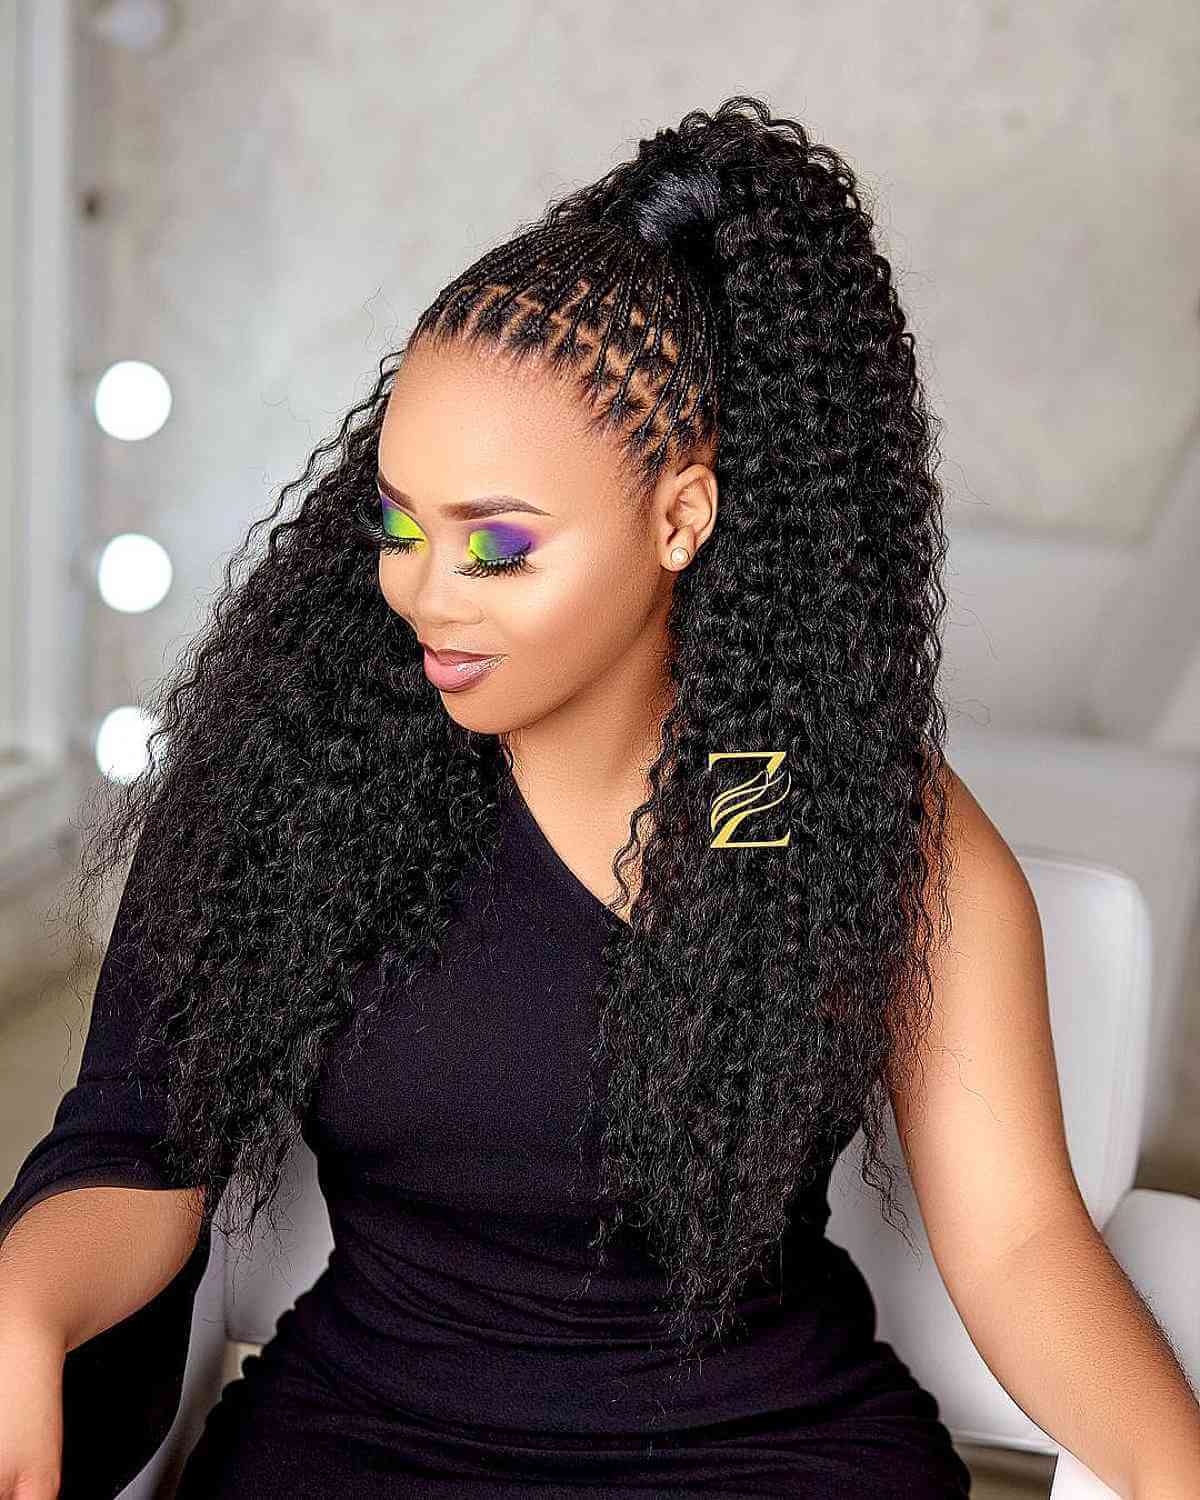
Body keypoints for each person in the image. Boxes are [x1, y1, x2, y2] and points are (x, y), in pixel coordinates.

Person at [3, 94, 1196, 1500]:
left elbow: (1018, 1247)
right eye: (396, 525)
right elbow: (136, 1146)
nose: (421, 595)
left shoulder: (826, 815)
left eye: (495, 548)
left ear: (680, 517)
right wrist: (22, 1305)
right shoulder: (303, 772)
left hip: (764, 1462)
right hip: (366, 1448)